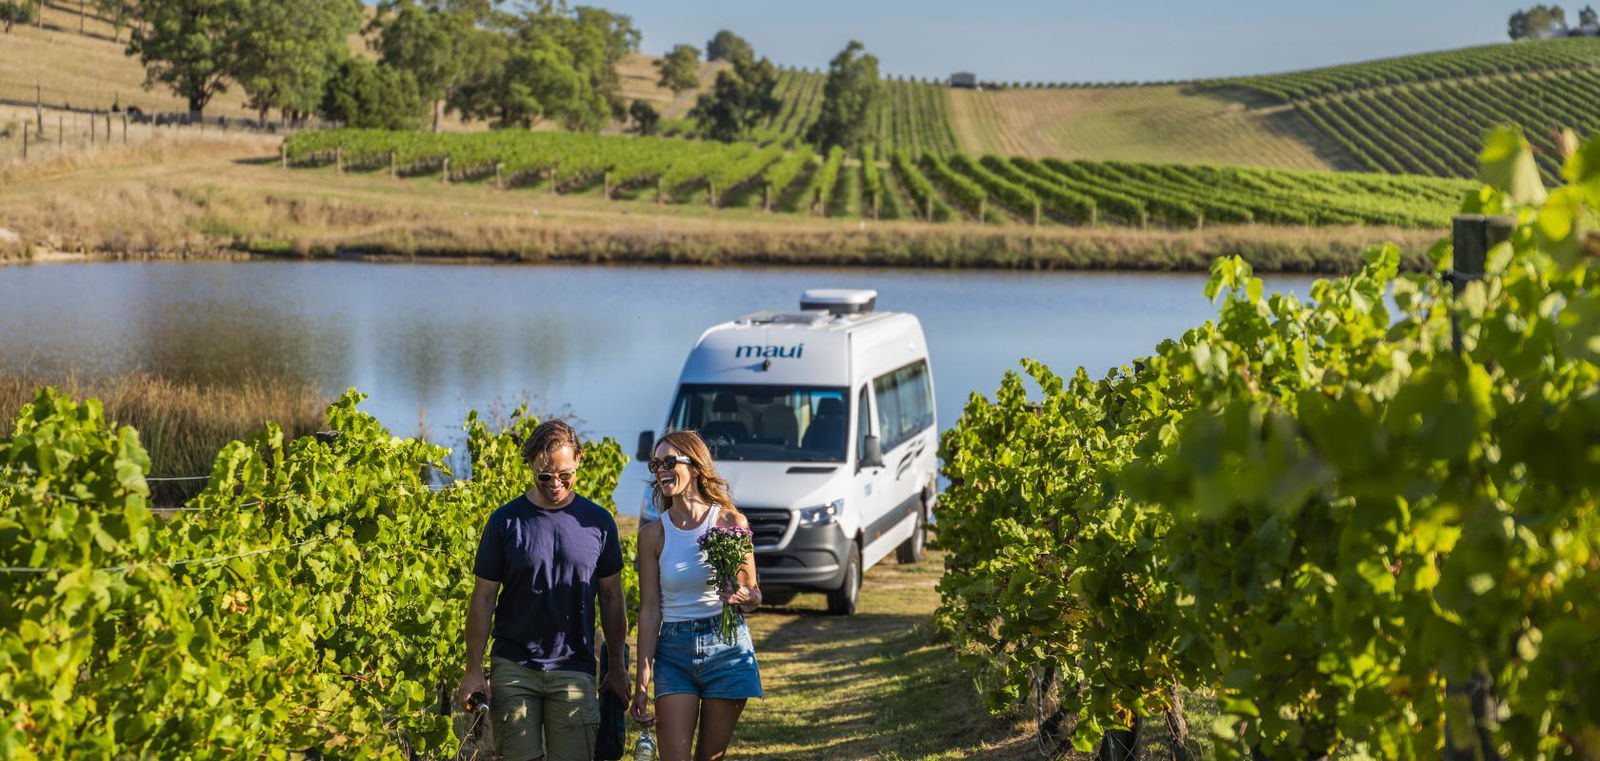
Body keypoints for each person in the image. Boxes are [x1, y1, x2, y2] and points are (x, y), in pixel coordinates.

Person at [459, 419, 630, 761]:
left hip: (575, 666)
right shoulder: (506, 521)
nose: (555, 484)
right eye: (544, 476)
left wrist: (616, 669)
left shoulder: (598, 523)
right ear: (531, 468)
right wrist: (474, 670)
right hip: (514, 665)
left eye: (565, 475)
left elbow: (612, 599)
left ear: (578, 460)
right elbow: (482, 599)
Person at [630, 430, 763, 761]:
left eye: (670, 461)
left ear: (696, 466)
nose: (661, 469)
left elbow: (754, 593)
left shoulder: (731, 522)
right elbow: (649, 612)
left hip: (726, 647)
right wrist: (641, 682)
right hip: (674, 652)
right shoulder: (652, 536)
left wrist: (745, 597)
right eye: (656, 463)